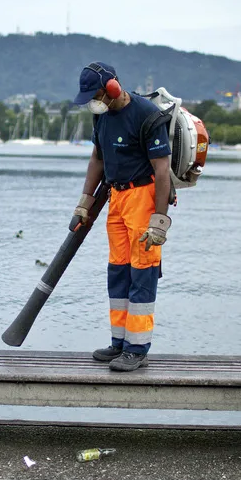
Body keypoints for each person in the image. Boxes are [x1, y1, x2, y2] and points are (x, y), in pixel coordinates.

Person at [70, 62, 172, 372]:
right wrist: (84, 202)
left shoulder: (146, 115)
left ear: (113, 88)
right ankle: (119, 342)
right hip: (116, 198)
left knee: (142, 271)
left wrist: (159, 220)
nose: (94, 102)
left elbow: (162, 170)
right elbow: (97, 158)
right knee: (118, 271)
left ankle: (137, 348)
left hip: (144, 196)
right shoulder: (100, 117)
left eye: (97, 95)